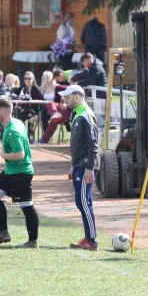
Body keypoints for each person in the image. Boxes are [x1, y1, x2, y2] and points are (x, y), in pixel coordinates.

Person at [0, 97, 40, 249]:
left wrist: (4, 156)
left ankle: (32, 242)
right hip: (10, 171)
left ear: (5, 112)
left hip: (21, 173)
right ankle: (3, 233)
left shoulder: (12, 132)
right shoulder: (15, 122)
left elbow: (20, 154)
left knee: (26, 205)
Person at [59, 85, 100, 250]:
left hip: (85, 167)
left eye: (67, 97)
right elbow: (79, 145)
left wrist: (89, 168)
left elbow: (93, 145)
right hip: (79, 165)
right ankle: (89, 238)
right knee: (82, 201)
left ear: (77, 97)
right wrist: (73, 165)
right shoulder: (77, 115)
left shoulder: (86, 116)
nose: (65, 100)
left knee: (83, 201)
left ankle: (91, 240)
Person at [35, 70, 70, 144]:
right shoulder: (42, 89)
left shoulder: (58, 87)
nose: (46, 80)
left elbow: (70, 88)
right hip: (46, 110)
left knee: (48, 106)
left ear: (52, 78)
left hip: (59, 109)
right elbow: (37, 101)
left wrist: (65, 101)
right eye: (44, 78)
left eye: (47, 77)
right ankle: (44, 138)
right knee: (46, 109)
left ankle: (55, 115)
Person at [15, 71, 43, 140]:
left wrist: (27, 108)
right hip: (26, 109)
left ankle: (30, 135)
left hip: (36, 109)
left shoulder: (36, 88)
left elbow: (38, 102)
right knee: (18, 116)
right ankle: (22, 134)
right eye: (25, 78)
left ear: (33, 79)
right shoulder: (24, 87)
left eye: (29, 78)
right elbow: (15, 92)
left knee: (30, 116)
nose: (27, 80)